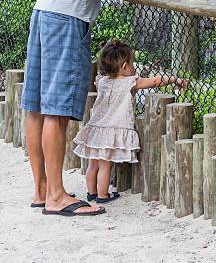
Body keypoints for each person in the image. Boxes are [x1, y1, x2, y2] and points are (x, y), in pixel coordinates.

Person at [21, 0, 161, 217]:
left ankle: (41, 191)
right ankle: (56, 197)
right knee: (57, 111)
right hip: (68, 19)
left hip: (45, 13)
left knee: (36, 107)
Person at [73, 41, 188, 204]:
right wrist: (175, 80)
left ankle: (91, 193)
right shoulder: (130, 82)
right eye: (132, 63)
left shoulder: (102, 80)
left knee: (93, 164)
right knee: (105, 165)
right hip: (112, 128)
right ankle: (102, 196)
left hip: (96, 127)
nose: (134, 67)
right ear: (125, 66)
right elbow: (155, 81)